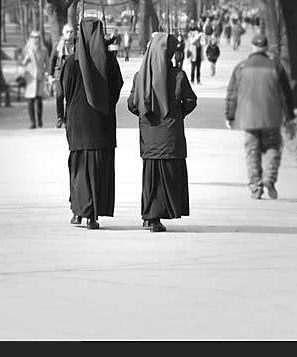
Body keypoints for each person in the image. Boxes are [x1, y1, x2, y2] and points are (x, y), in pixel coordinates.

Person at [128, 33, 197, 233]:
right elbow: (191, 101)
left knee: (151, 177)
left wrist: (145, 116)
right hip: (170, 136)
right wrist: (177, 114)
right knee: (167, 177)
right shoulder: (178, 75)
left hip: (149, 137)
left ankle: (149, 214)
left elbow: (132, 104)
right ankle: (156, 218)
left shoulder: (140, 77)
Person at [60, 18, 124, 229]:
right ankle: (92, 215)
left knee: (79, 168)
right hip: (101, 124)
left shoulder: (71, 62)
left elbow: (64, 91)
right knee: (97, 169)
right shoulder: (109, 61)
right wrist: (104, 104)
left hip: (78, 124)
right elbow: (117, 88)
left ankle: (78, 211)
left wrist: (67, 112)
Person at [225, 32, 295, 199]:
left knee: (252, 152)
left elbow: (232, 93)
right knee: (273, 147)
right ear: (265, 47)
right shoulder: (276, 66)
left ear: (252, 47)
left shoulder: (241, 67)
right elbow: (286, 94)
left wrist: (230, 115)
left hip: (248, 118)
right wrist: (290, 115)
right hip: (271, 116)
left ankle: (256, 187)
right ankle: (269, 179)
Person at [20, 31, 50, 129]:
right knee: (30, 101)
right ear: (31, 38)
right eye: (33, 37)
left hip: (40, 77)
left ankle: (40, 120)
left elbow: (47, 62)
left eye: (37, 37)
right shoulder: (27, 50)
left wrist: (46, 72)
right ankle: (32, 122)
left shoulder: (44, 50)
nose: (35, 39)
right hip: (30, 78)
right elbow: (22, 63)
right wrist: (26, 60)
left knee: (39, 100)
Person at [50, 24, 75, 128]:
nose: (69, 34)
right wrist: (50, 75)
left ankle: (67, 118)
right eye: (67, 32)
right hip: (59, 74)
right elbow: (52, 59)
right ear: (63, 33)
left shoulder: (76, 44)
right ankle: (60, 117)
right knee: (59, 96)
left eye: (71, 32)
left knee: (70, 97)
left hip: (71, 74)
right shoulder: (58, 44)